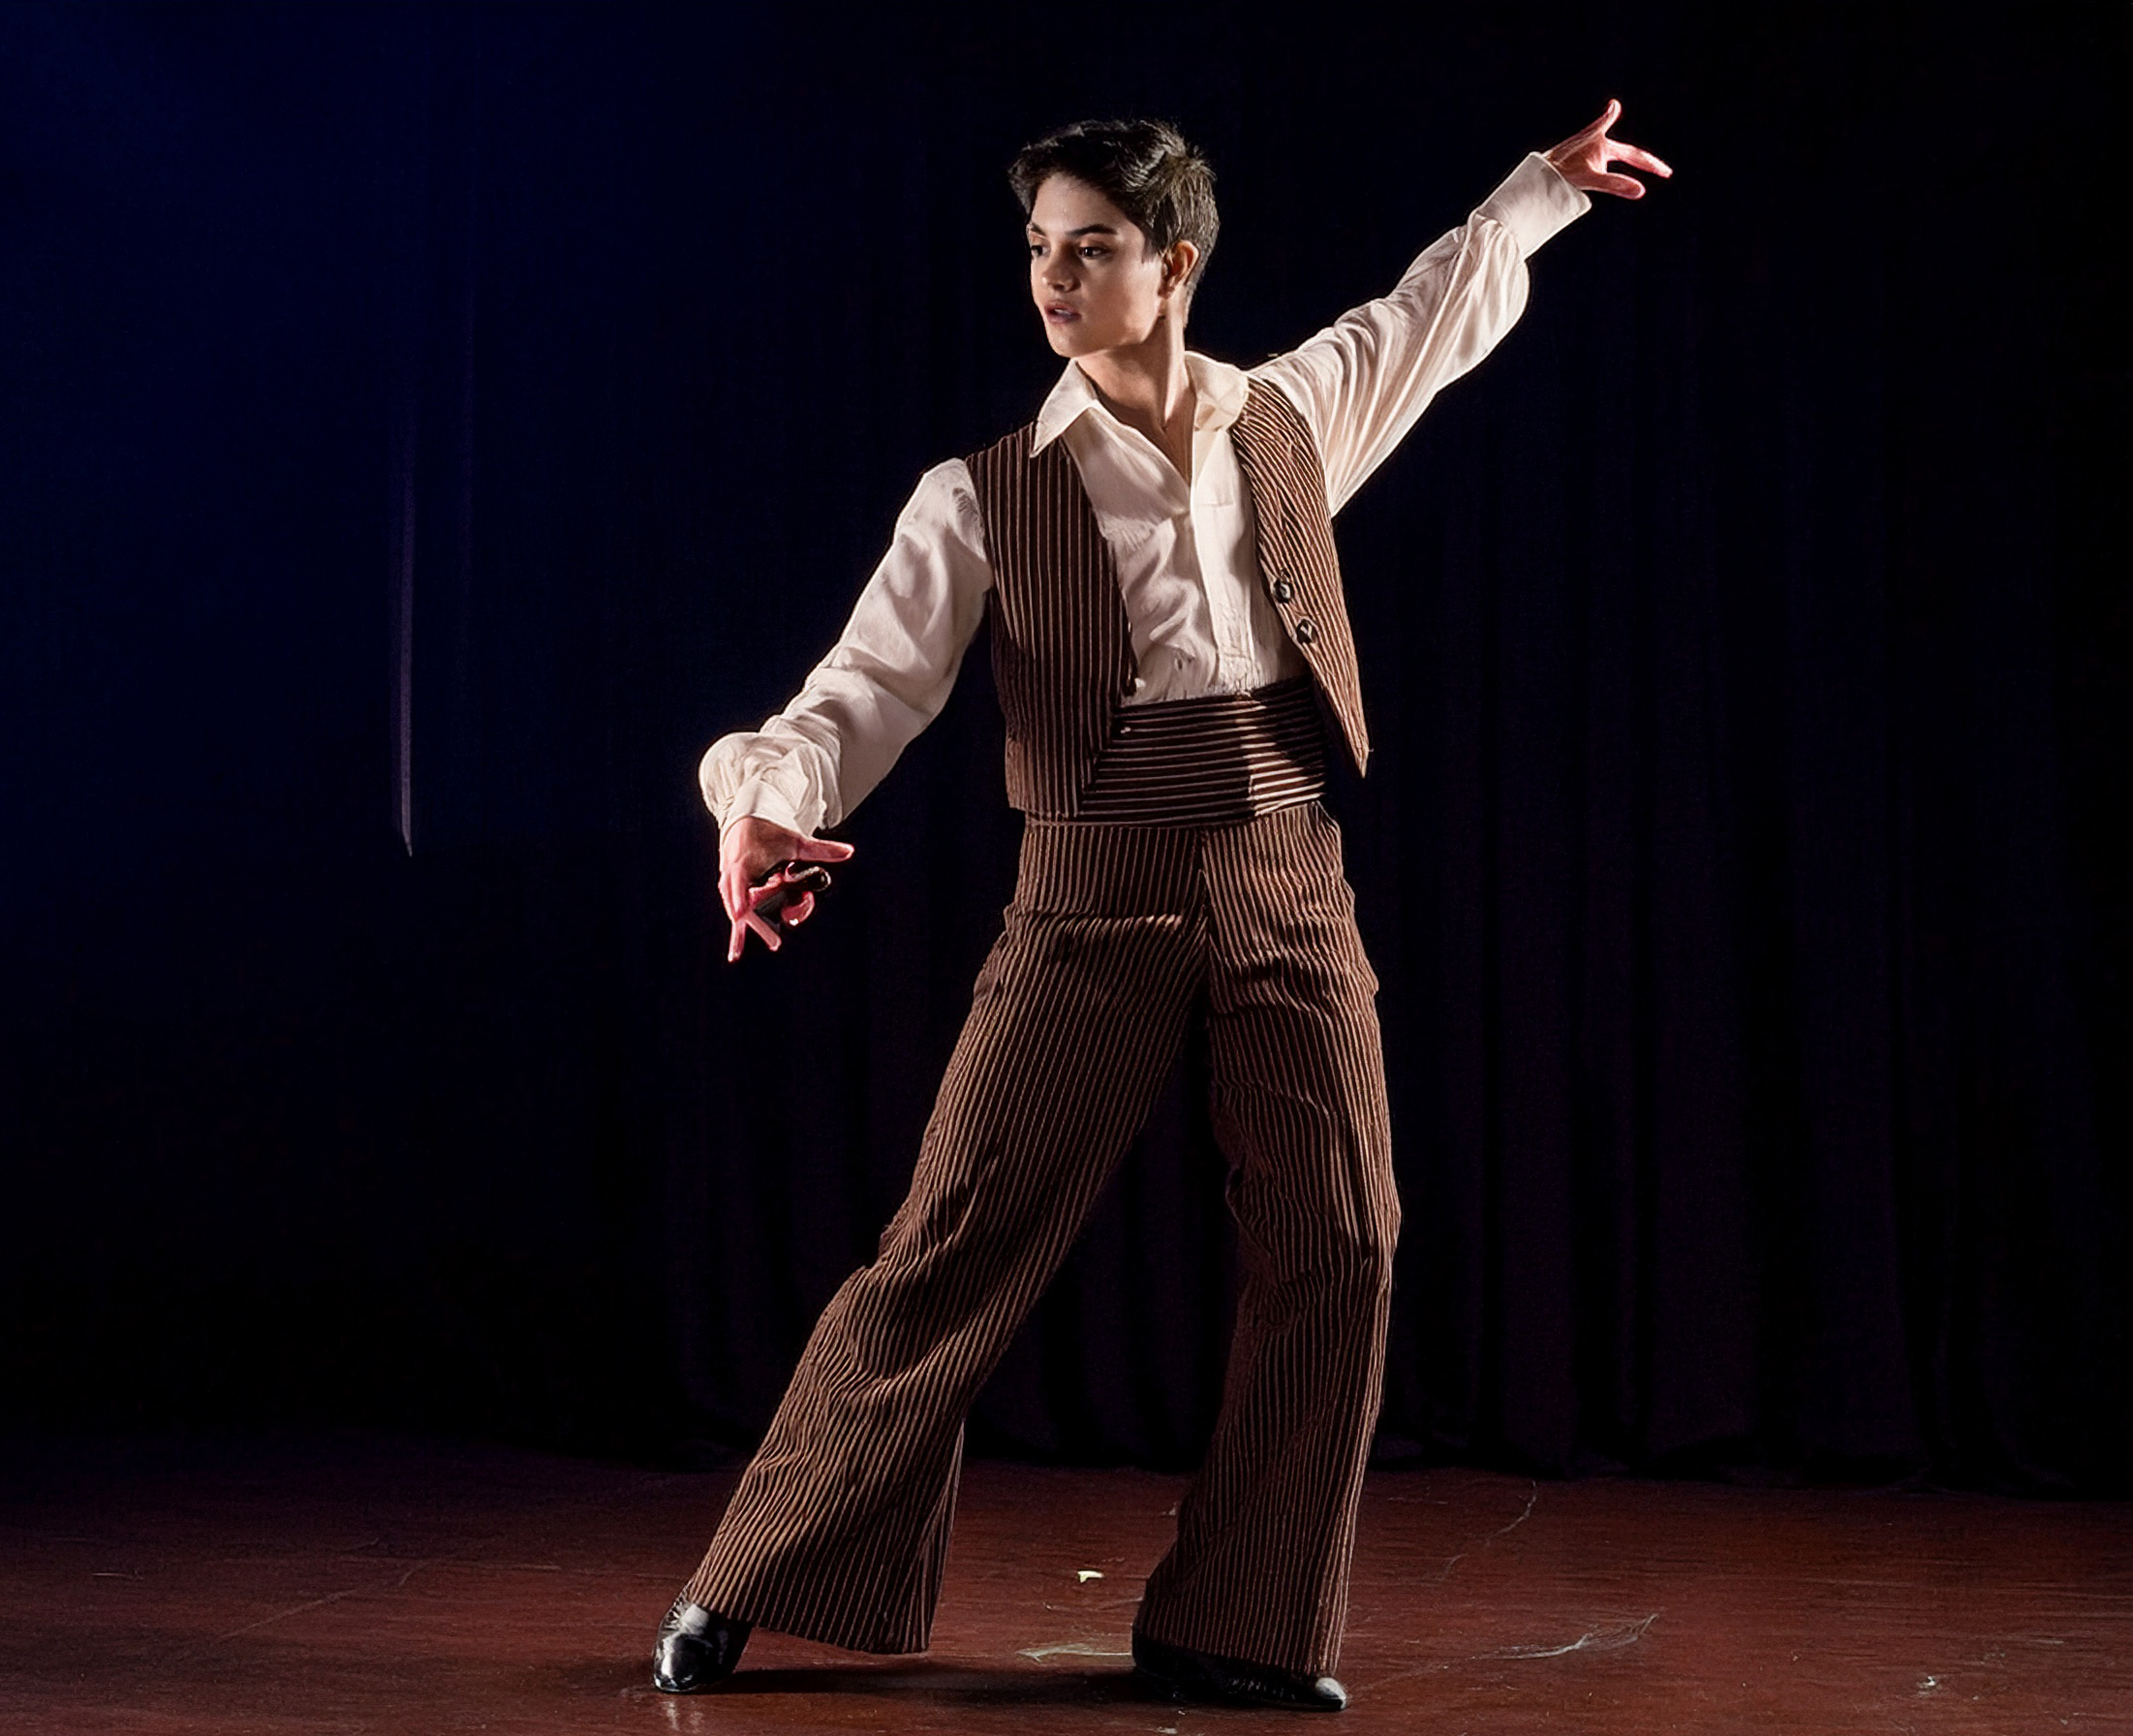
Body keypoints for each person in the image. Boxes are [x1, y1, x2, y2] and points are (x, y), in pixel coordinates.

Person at [662, 100, 1670, 1712]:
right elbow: (857, 691)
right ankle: (750, 1578)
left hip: (1284, 869)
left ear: (1174, 264)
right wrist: (762, 802)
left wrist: (1535, 196)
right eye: (1037, 251)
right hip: (1092, 887)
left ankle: (1240, 1621)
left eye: (1091, 249)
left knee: (1342, 1234)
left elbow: (1426, 317)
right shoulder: (980, 495)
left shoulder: (1289, 415)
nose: (1053, 280)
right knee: (954, 1239)